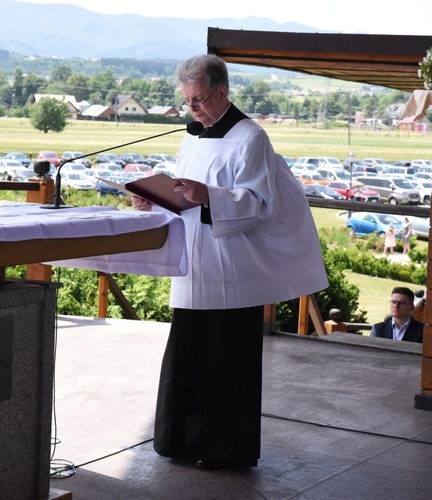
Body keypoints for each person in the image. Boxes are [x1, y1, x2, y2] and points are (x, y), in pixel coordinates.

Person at [132, 54, 328, 471]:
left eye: (199, 99)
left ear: (222, 91)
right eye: (187, 101)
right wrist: (156, 199)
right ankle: (179, 441)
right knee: (187, 356)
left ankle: (225, 448)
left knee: (225, 360)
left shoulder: (250, 137)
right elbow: (184, 196)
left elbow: (260, 205)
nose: (193, 109)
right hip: (195, 264)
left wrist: (209, 197)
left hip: (232, 268)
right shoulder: (193, 137)